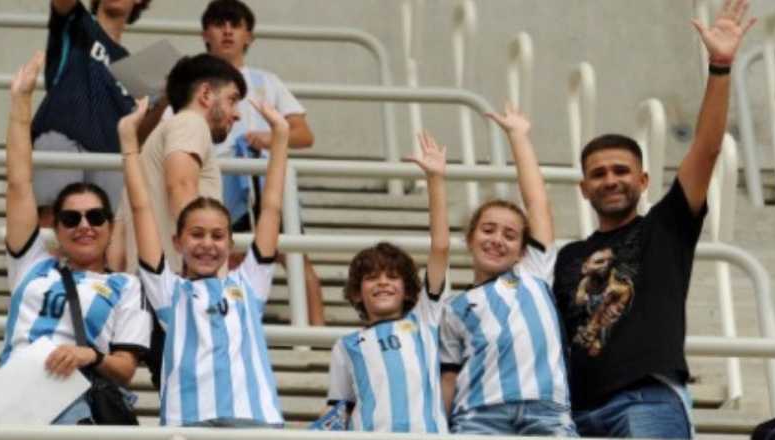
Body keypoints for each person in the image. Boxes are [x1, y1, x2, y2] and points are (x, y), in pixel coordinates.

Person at [552, 1, 755, 438]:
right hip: (575, 415)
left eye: (621, 171)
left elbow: (706, 149)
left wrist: (720, 66)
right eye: (598, 174)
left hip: (647, 401)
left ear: (643, 180)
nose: (611, 180)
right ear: (583, 188)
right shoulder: (568, 256)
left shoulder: (665, 228)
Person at [119, 93, 287, 427]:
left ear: (230, 243)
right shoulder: (168, 291)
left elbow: (271, 208)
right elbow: (141, 209)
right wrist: (128, 139)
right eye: (196, 235)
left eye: (217, 236)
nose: (207, 245)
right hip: (189, 423)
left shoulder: (249, 283)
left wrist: (280, 136)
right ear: (177, 242)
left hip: (254, 421)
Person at [1, 52, 151, 425]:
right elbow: (19, 183)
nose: (84, 225)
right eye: (71, 217)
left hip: (72, 404)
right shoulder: (32, 262)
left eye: (96, 216)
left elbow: (126, 367)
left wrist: (90, 356)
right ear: (56, 227)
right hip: (10, 403)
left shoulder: (125, 285)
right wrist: (21, 103)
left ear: (109, 226)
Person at [438, 105, 575, 436]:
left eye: (510, 235)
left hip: (547, 413)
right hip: (478, 416)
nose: (497, 239)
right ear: (470, 239)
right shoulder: (453, 308)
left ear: (523, 250)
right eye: (488, 230)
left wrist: (518, 137)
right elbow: (449, 377)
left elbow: (537, 202)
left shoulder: (533, 272)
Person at [200, 0, 326, 327]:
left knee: (296, 259)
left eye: (236, 24)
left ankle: (318, 339)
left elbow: (305, 133)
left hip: (264, 183)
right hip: (214, 183)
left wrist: (270, 137)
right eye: (219, 23)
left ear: (249, 36)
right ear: (205, 34)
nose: (227, 31)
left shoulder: (266, 82)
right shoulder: (195, 83)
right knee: (228, 261)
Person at [321, 132, 451, 433]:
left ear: (408, 289)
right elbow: (337, 409)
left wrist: (435, 180)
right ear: (356, 290)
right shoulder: (346, 346)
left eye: (392, 277)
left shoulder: (425, 320)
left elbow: (440, 247)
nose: (383, 283)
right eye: (371, 278)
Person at [109, 53, 246, 274]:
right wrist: (199, 274)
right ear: (206, 94)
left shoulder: (149, 151)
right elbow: (181, 185)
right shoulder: (190, 123)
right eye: (232, 99)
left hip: (148, 290)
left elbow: (117, 247)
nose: (237, 114)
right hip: (185, 291)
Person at [32, 0, 162, 222]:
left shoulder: (136, 70)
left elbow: (137, 135)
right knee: (55, 222)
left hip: (110, 158)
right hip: (63, 139)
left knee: (104, 236)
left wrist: (167, 98)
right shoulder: (78, 22)